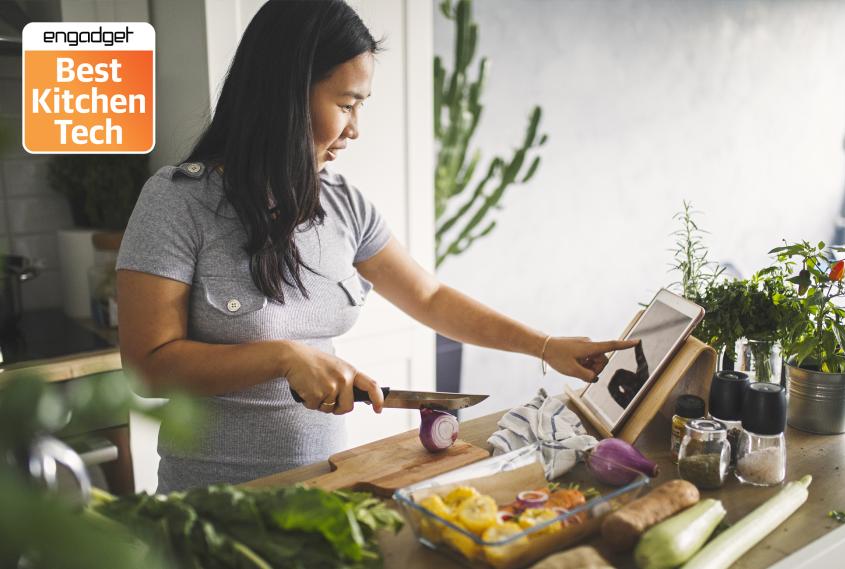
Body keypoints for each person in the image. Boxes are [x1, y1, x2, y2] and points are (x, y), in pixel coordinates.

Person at [116, 0, 637, 492]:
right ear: (284, 95)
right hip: (214, 503)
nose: (355, 129)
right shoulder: (176, 201)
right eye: (346, 104)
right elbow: (148, 366)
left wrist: (545, 347)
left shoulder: (344, 205)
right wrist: (281, 356)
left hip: (326, 487)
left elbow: (429, 298)